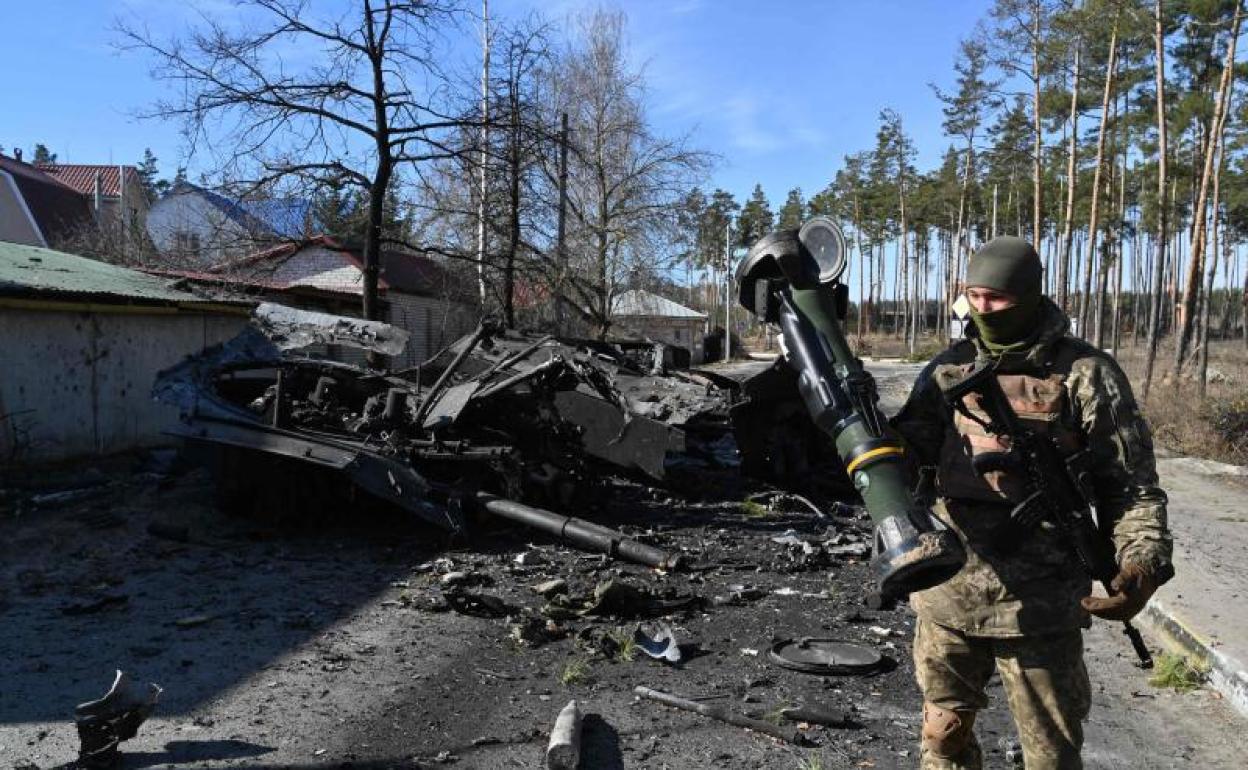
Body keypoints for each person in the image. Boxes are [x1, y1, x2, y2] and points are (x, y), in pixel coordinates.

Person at [890, 236, 1174, 770]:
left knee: (1052, 755)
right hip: (948, 594)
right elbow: (903, 461)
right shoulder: (947, 369)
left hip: (1041, 607)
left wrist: (1141, 563)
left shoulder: (1087, 374)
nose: (982, 308)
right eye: (973, 295)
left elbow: (1130, 486)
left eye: (996, 298)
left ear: (1028, 294)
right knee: (942, 740)